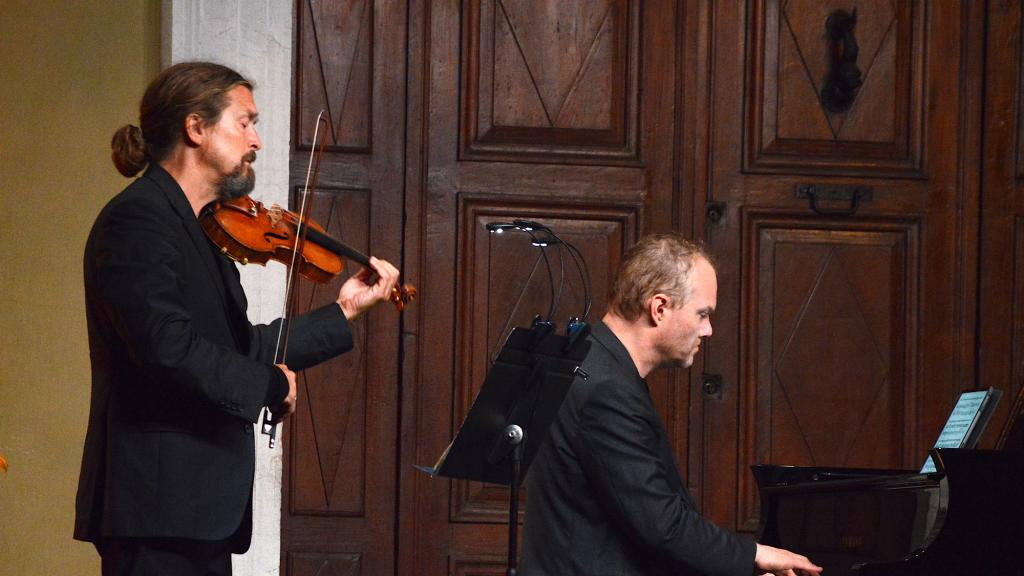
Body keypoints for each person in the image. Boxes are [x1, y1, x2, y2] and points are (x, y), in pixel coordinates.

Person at [73, 61, 401, 576]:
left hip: (196, 511)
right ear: (196, 128)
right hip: (159, 512)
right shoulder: (138, 220)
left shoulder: (201, 230)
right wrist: (271, 385)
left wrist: (344, 311)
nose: (257, 141)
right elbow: (168, 349)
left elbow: (237, 346)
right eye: (245, 122)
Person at [520, 234, 822, 576]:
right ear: (659, 307)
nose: (708, 330)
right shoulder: (606, 389)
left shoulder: (592, 361)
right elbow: (662, 527)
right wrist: (754, 555)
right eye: (703, 314)